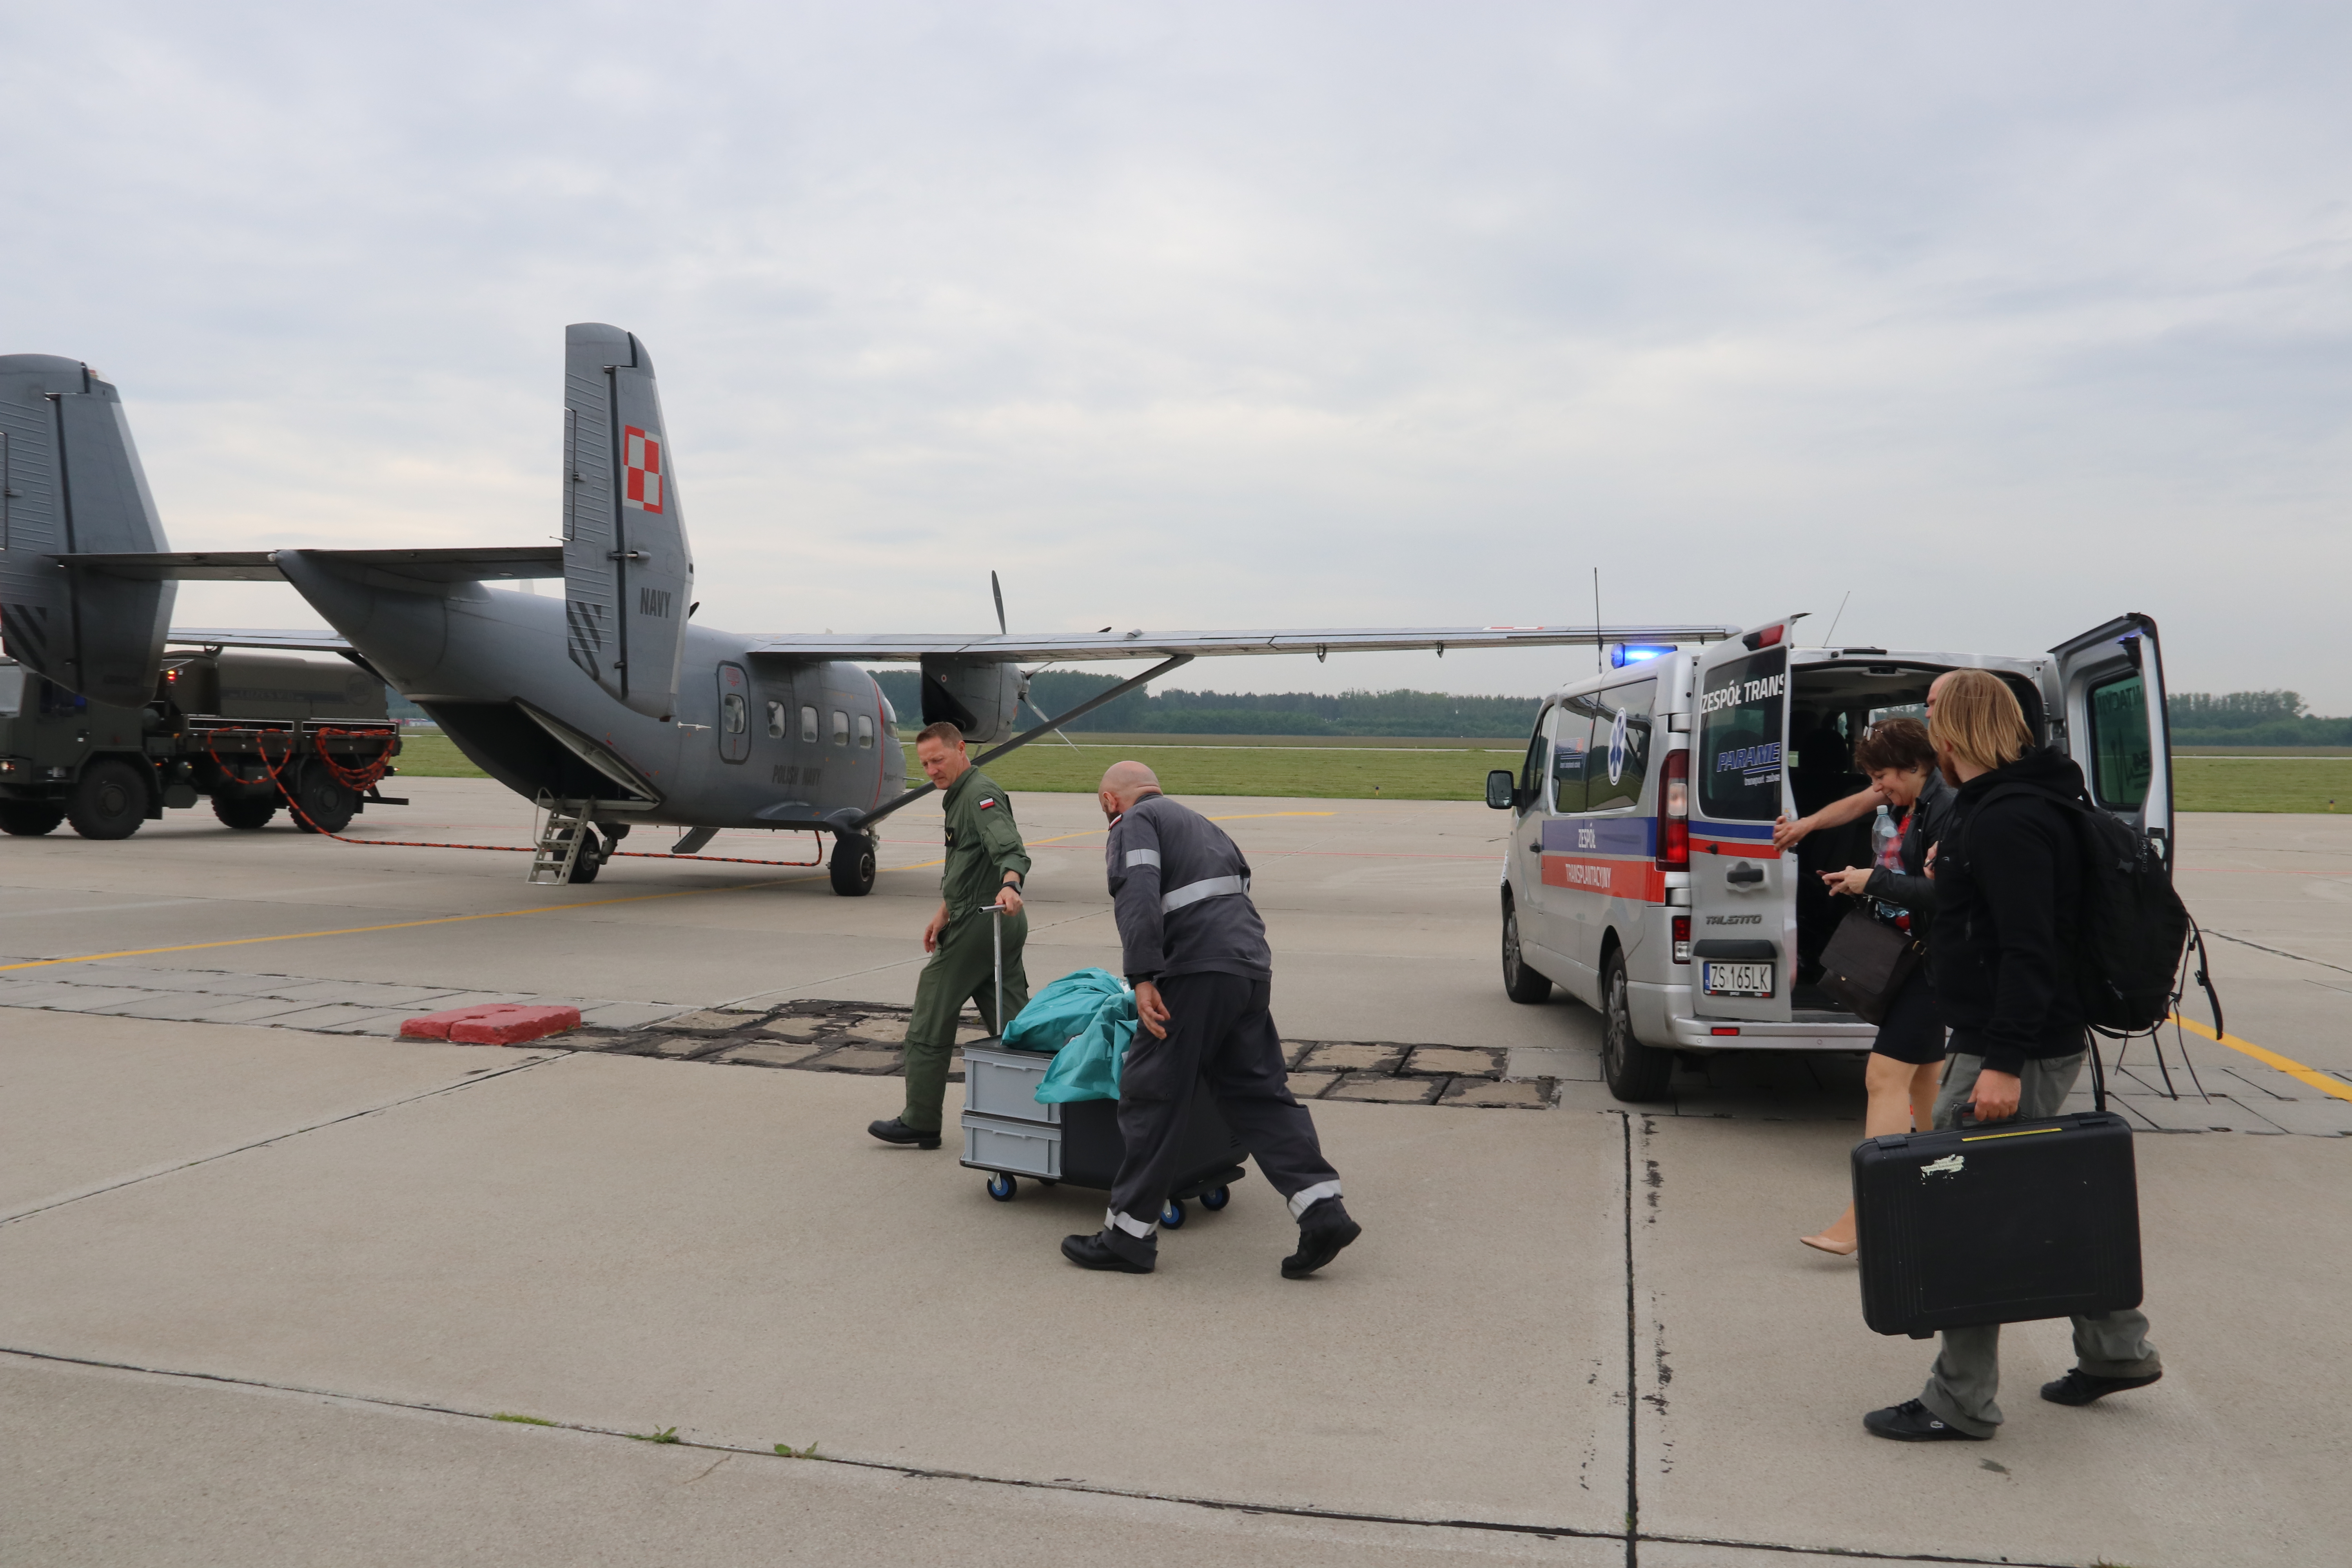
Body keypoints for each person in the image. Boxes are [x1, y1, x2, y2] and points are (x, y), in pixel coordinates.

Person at [1863, 669, 2163, 1442]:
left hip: (2012, 1044)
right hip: (2017, 1037)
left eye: (1929, 710)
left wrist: (2001, 1061)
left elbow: (2031, 952)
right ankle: (2117, 1347)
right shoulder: (2013, 804)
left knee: (1972, 1210)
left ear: (1956, 725)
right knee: (2037, 1194)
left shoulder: (2009, 819)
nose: (1921, 721)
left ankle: (1959, 1400)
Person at [1060, 760, 1360, 1279]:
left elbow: (1137, 891)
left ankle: (1128, 1237)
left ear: (1111, 801)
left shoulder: (1135, 824)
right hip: (1247, 970)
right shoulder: (1202, 824)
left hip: (1195, 973)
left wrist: (1144, 975)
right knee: (1257, 1093)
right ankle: (1322, 1210)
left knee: (1153, 1092)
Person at [1773, 716, 1954, 1255]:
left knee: (1883, 1077)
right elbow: (1856, 804)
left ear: (1915, 766)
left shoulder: (1947, 808)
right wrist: (1805, 827)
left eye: (1883, 778)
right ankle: (1939, 1198)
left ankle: (1871, 1212)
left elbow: (1942, 895)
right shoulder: (1916, 797)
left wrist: (1867, 880)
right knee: (1926, 1085)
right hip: (1919, 957)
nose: (1878, 789)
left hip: (1938, 964)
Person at [867, 722, 1031, 1149]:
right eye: (924, 764)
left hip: (982, 921)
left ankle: (921, 1119)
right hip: (995, 922)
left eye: (938, 760)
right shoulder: (960, 796)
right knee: (1016, 1025)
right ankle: (1043, 1112)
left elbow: (1008, 847)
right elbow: (970, 863)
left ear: (962, 750)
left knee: (930, 1011)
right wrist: (943, 911)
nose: (932, 770)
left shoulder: (979, 795)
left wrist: (1012, 883)